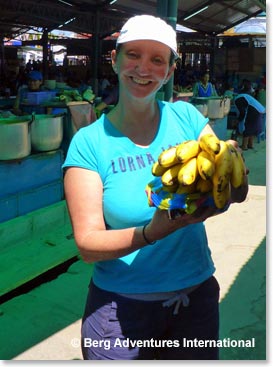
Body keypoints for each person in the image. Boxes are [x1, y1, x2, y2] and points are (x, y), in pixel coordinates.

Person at [62, 14, 248, 361]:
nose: (143, 68)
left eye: (157, 59)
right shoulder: (89, 143)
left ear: (170, 71)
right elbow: (87, 245)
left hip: (197, 302)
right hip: (120, 313)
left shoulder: (187, 118)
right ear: (115, 60)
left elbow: (232, 193)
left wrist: (233, 172)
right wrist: (153, 232)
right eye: (133, 55)